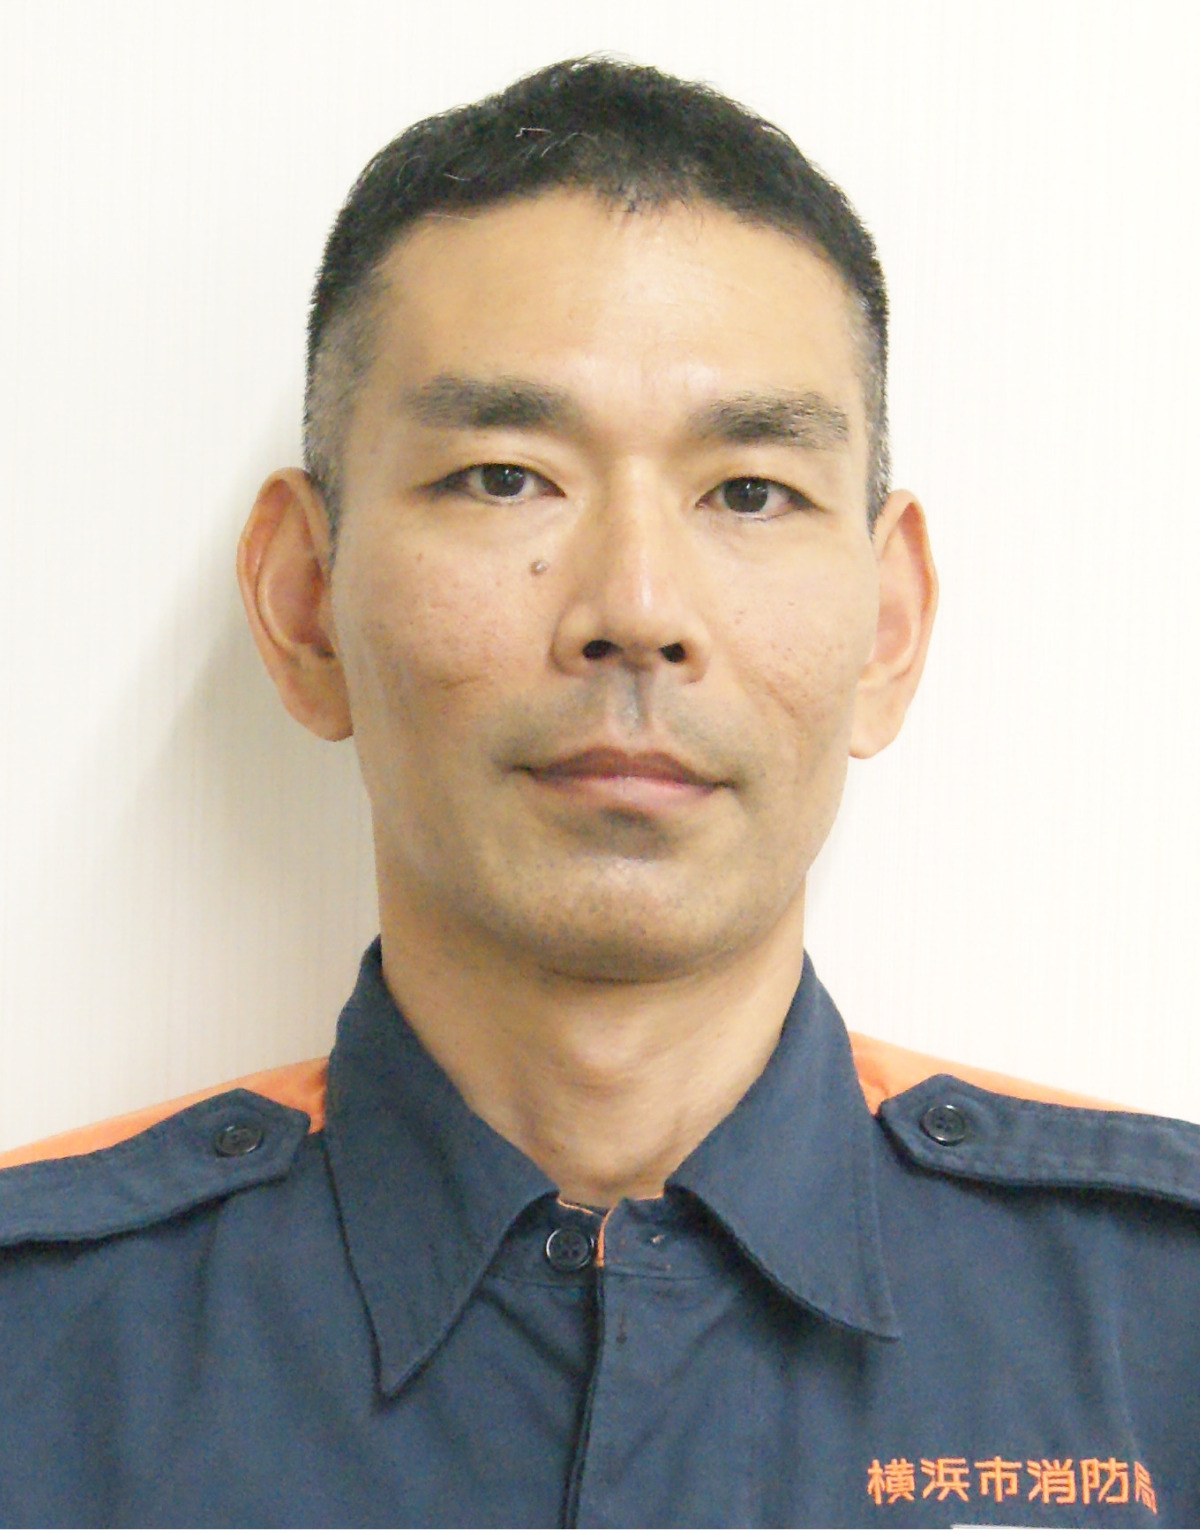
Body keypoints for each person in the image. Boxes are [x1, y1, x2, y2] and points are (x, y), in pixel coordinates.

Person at [0, 56, 1196, 1529]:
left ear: (888, 628)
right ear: (305, 603)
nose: (635, 608)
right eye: (505, 476)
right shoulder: (37, 1353)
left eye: (749, 491)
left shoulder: (1161, 1327)